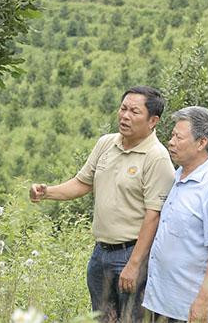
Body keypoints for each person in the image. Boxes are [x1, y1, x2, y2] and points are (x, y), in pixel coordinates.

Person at [30, 86, 176, 322]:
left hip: (131, 253)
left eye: (134, 112)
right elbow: (82, 182)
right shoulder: (106, 144)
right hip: (101, 254)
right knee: (102, 318)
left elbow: (154, 216)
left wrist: (134, 265)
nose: (125, 116)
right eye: (123, 109)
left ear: (153, 121)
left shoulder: (156, 157)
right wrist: (46, 192)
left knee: (132, 319)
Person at [143, 106, 208, 323]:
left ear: (201, 142)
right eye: (172, 135)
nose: (171, 142)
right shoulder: (178, 177)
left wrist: (203, 302)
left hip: (188, 308)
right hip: (161, 302)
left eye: (178, 137)